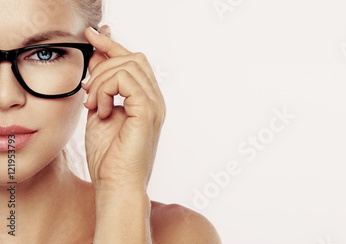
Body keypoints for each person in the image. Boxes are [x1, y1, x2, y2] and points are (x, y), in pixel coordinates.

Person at [0, 0, 221, 243]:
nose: (6, 97)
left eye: (45, 53)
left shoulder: (177, 234)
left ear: (99, 54)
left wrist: (120, 195)